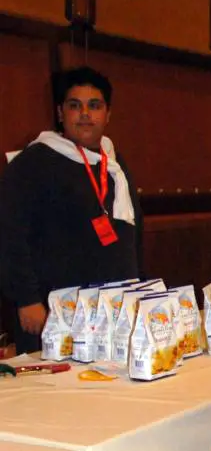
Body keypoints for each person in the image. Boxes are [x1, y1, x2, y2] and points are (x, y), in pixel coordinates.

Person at [0, 66, 143, 353]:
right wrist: (26, 299)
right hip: (53, 313)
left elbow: (132, 235)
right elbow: (9, 233)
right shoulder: (34, 161)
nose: (85, 114)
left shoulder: (114, 163)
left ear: (108, 114)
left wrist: (136, 292)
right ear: (60, 113)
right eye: (75, 106)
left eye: (95, 106)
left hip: (110, 312)